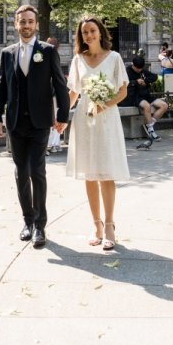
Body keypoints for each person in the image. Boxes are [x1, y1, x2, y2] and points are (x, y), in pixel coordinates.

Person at [0, 4, 69, 248]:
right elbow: (1, 87)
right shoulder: (7, 53)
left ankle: (40, 225)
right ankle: (27, 221)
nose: (26, 25)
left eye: (30, 21)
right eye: (22, 22)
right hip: (15, 122)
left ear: (36, 24)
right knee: (21, 172)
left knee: (37, 171)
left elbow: (59, 84)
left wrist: (63, 115)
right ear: (16, 25)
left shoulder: (47, 51)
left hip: (39, 122)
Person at [66, 16, 129, 252]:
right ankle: (96, 226)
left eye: (92, 31)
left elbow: (122, 91)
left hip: (106, 118)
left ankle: (110, 225)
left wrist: (105, 104)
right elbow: (74, 93)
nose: (89, 35)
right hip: (84, 118)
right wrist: (62, 117)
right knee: (89, 174)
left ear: (100, 32)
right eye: (84, 33)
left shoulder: (114, 58)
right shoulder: (78, 60)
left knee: (106, 173)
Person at [120, 55, 171, 141]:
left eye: (141, 68)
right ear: (133, 65)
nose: (139, 70)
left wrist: (145, 81)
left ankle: (149, 124)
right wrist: (136, 82)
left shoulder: (142, 71)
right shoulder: (127, 71)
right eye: (137, 68)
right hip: (134, 96)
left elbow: (154, 76)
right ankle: (151, 131)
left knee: (164, 105)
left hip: (146, 95)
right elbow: (123, 83)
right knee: (146, 106)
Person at [45, 36, 63, 155]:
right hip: (53, 95)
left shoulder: (46, 55)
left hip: (50, 95)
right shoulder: (55, 56)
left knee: (50, 120)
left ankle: (49, 145)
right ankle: (54, 144)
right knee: (55, 119)